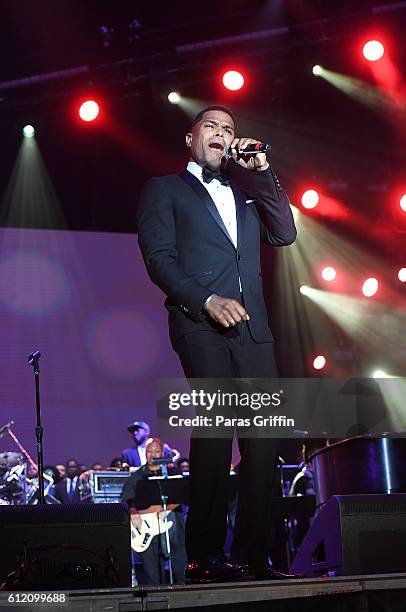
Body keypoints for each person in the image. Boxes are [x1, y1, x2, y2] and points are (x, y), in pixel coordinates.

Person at [137, 105, 297, 582]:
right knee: (214, 432)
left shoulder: (246, 196)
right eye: (212, 125)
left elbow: (285, 234)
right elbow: (158, 259)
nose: (222, 133)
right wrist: (204, 299)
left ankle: (254, 553)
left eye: (229, 129)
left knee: (264, 442)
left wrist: (263, 172)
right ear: (191, 138)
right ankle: (204, 555)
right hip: (201, 323)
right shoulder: (164, 190)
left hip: (254, 331)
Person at [120, 437, 187, 585]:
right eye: (149, 451)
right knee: (152, 575)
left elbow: (184, 495)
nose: (153, 455)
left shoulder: (172, 473)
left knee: (180, 568)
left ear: (163, 453)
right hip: (147, 530)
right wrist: (134, 512)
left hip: (173, 527)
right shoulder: (137, 476)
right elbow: (125, 500)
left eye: (156, 451)